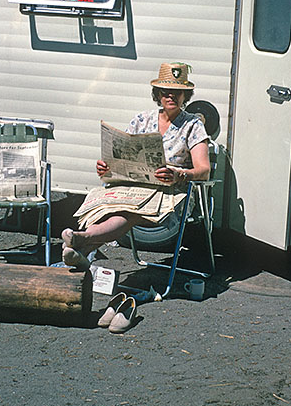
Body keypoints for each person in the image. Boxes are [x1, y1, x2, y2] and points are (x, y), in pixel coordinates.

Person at [61, 62, 211, 269]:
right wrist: (108, 167)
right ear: (157, 94)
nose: (171, 96)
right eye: (166, 91)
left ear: (186, 96)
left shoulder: (193, 125)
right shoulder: (142, 119)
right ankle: (83, 250)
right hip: (135, 187)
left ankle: (85, 239)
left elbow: (204, 170)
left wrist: (179, 175)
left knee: (132, 211)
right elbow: (123, 156)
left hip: (172, 194)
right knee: (104, 204)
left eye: (178, 92)